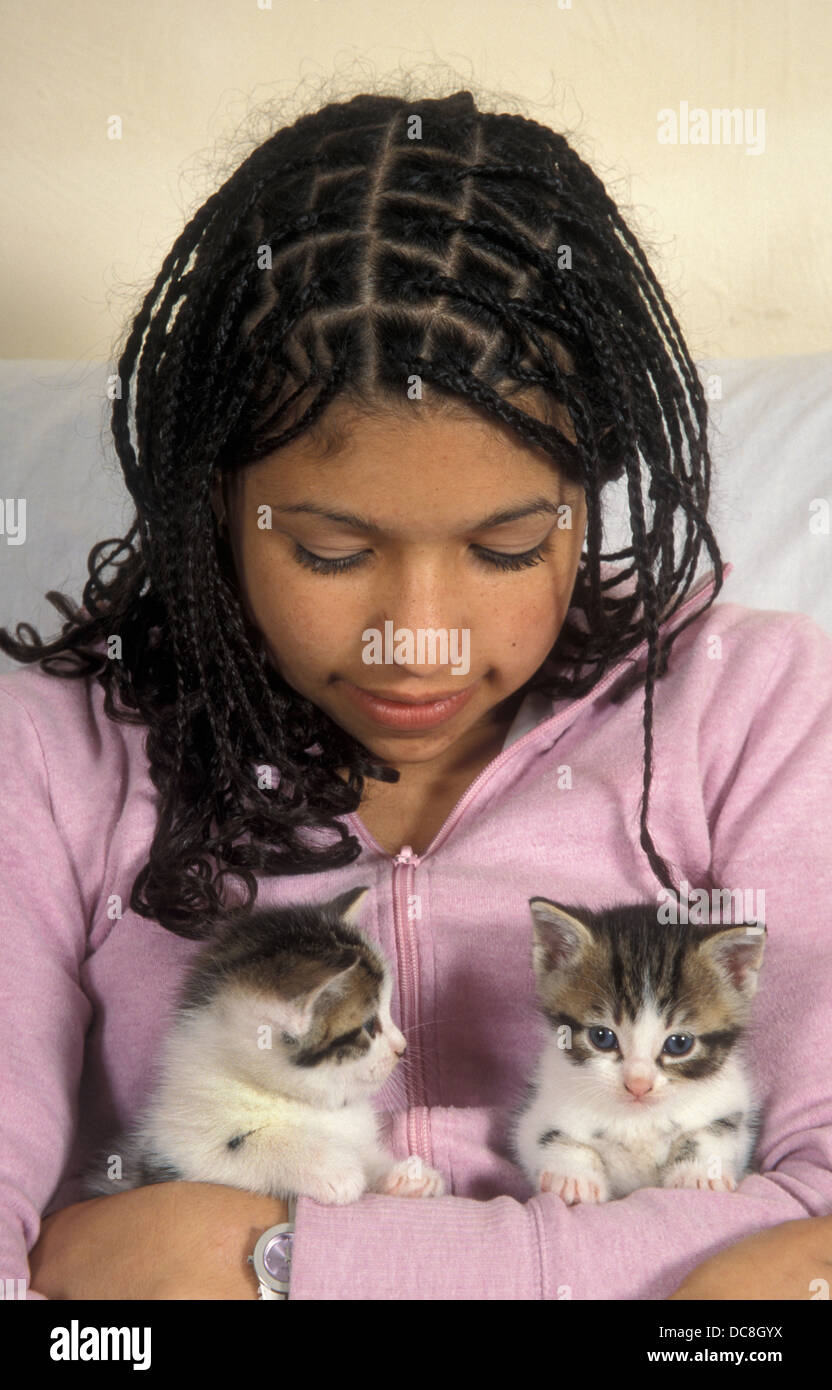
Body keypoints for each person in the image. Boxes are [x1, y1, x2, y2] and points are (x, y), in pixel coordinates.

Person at [2, 89, 830, 1301]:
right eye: (332, 551)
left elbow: (813, 1241)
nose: (417, 638)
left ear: (587, 495)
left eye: (503, 547)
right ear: (216, 504)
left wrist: (271, 1260)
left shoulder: (751, 707)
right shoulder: (52, 755)